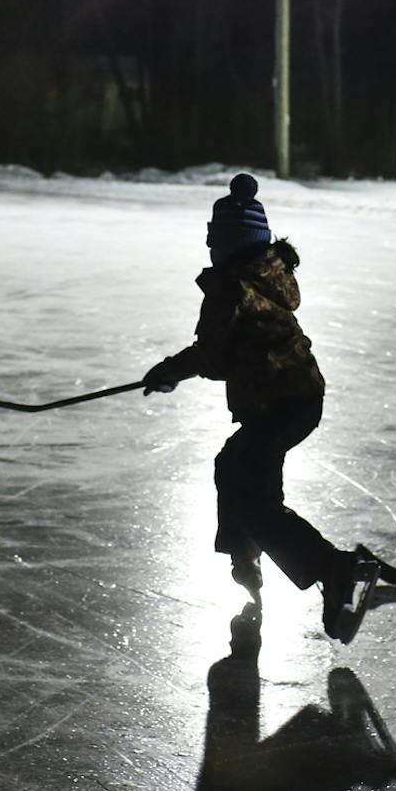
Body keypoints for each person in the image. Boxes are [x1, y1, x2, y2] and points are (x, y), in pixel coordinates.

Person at [145, 174, 373, 643]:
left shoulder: (231, 289)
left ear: (226, 244)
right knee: (236, 467)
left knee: (252, 497)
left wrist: (169, 370)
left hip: (278, 402)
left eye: (213, 240)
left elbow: (212, 355)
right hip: (297, 398)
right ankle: (245, 553)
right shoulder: (267, 276)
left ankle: (334, 569)